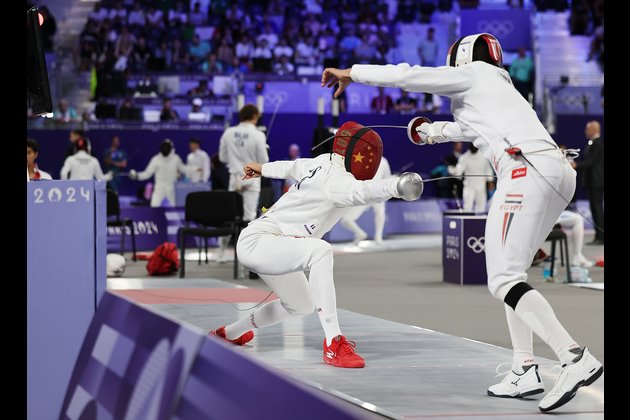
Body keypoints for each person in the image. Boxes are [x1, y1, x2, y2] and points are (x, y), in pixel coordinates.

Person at [322, 32, 603, 412]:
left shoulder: (473, 75)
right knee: (513, 274)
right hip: (554, 171)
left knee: (503, 279)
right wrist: (428, 133)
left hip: (526, 171)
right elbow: (469, 130)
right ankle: (524, 368)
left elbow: (409, 75)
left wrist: (352, 73)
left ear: (463, 58)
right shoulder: (499, 87)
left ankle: (573, 358)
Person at [209, 121, 423, 368]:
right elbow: (365, 191)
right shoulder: (338, 181)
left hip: (276, 245)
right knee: (320, 250)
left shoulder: (321, 161)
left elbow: (292, 166)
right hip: (260, 241)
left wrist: (262, 168)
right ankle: (333, 342)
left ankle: (230, 333)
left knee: (301, 305)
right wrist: (396, 186)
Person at [219, 104, 269, 222]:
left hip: (234, 179)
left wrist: (235, 161)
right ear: (254, 116)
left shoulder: (229, 132)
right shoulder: (258, 135)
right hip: (251, 179)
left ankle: (223, 241)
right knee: (249, 218)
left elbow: (223, 158)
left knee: (229, 217)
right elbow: (264, 161)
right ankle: (245, 241)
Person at [129, 139, 199, 207]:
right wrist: (137, 176)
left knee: (175, 209)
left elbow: (183, 169)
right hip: (159, 189)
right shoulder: (156, 159)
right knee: (154, 209)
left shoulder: (175, 158)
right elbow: (147, 174)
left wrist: (195, 169)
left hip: (171, 189)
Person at [339, 156, 392, 244]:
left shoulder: (382, 161)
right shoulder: (362, 158)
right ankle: (366, 234)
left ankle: (377, 236)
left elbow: (387, 177)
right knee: (346, 220)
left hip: (372, 191)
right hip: (367, 191)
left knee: (380, 212)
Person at [572, 121, 604, 244]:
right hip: (593, 181)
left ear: (594, 130)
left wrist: (576, 165)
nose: (585, 132)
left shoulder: (597, 143)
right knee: (595, 209)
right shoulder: (593, 143)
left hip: (596, 181)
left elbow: (591, 162)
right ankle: (598, 236)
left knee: (597, 209)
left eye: (587, 129)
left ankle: (600, 237)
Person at [448, 144, 495, 212]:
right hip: (469, 186)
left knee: (481, 208)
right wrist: (452, 170)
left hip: (481, 186)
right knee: (467, 207)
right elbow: (458, 173)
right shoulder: (464, 157)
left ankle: (480, 222)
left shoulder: (483, 156)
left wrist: (490, 181)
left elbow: (488, 169)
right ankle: (467, 222)